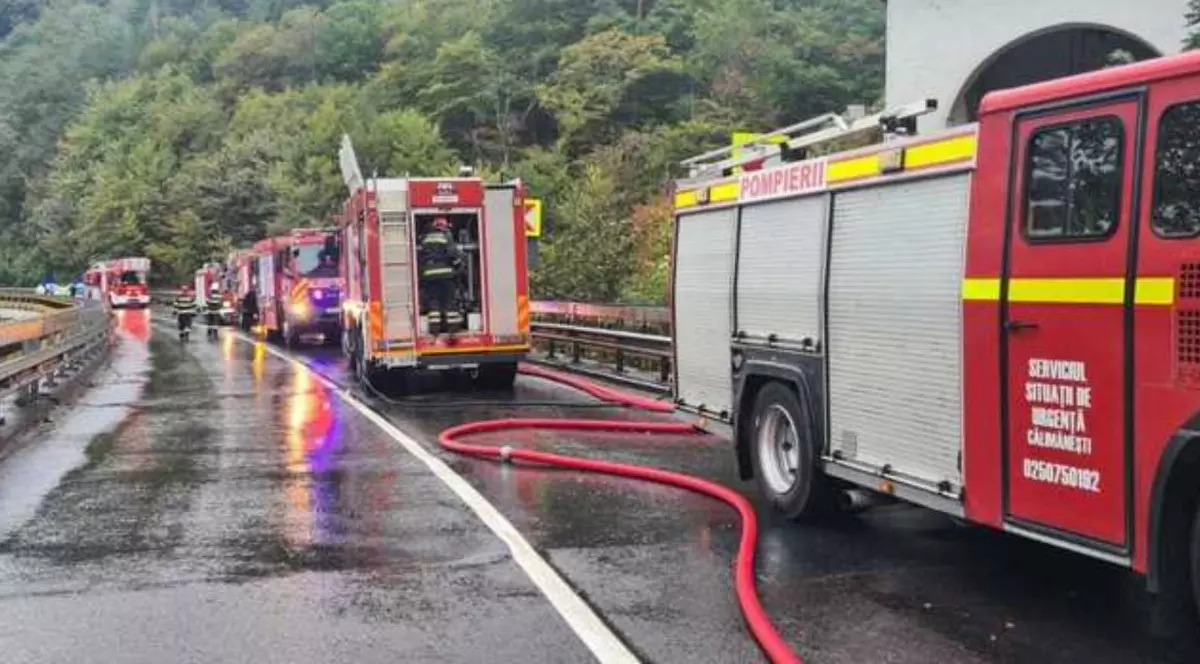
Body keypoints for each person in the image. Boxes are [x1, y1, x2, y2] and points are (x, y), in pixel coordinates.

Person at [417, 216, 463, 337]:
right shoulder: (446, 235)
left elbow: (421, 257)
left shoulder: (425, 238)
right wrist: (459, 265)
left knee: (434, 304)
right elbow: (452, 253)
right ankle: (452, 329)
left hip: (429, 278)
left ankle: (435, 330)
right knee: (449, 302)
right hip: (446, 276)